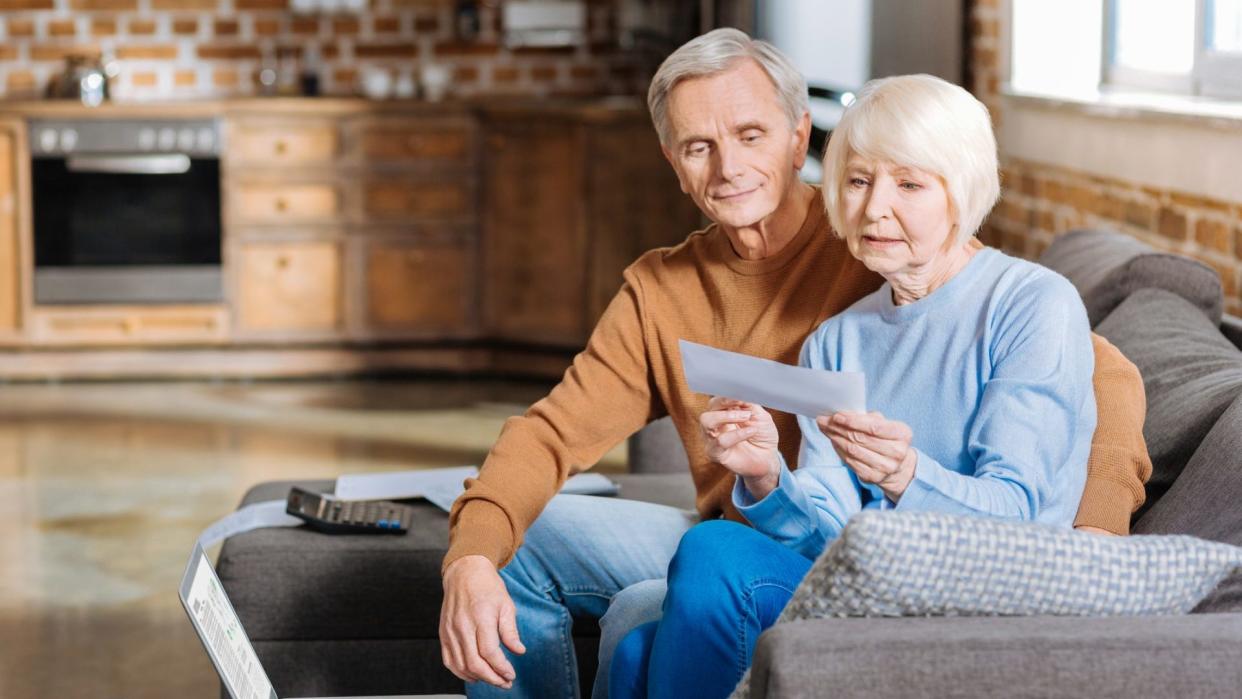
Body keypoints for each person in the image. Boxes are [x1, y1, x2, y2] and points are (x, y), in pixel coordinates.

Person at [439, 29, 1151, 699]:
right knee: (507, 547)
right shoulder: (673, 293)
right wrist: (468, 556)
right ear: (673, 163)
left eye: (750, 135)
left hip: (839, 550)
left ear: (796, 138)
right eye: (698, 146)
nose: (728, 167)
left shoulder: (877, 243)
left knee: (645, 612)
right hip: (774, 527)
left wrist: (1090, 542)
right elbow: (550, 432)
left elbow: (1102, 372)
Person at [608, 73, 1110, 699]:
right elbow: (830, 534)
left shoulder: (1030, 304)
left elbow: (1020, 521)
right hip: (870, 585)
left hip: (977, 601)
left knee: (713, 551)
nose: (874, 208)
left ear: (962, 190)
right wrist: (767, 477)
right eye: (857, 180)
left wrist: (904, 475)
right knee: (634, 654)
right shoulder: (839, 339)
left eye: (909, 184)